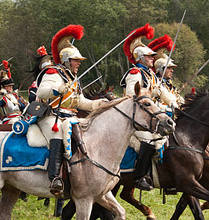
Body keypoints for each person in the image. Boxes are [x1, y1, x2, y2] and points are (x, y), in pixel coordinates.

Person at [35, 25, 108, 197]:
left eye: (79, 61)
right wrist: (59, 88)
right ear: (67, 60)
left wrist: (98, 104)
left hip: (70, 116)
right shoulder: (53, 72)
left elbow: (79, 101)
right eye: (76, 60)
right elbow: (41, 92)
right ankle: (54, 178)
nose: (79, 63)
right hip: (52, 116)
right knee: (59, 135)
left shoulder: (73, 78)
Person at [119, 24, 172, 191]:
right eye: (149, 56)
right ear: (140, 57)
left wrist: (175, 104)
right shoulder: (135, 74)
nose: (152, 59)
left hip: (151, 116)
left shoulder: (151, 76)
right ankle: (140, 177)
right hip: (136, 119)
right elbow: (131, 97)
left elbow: (165, 94)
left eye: (152, 56)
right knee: (150, 140)